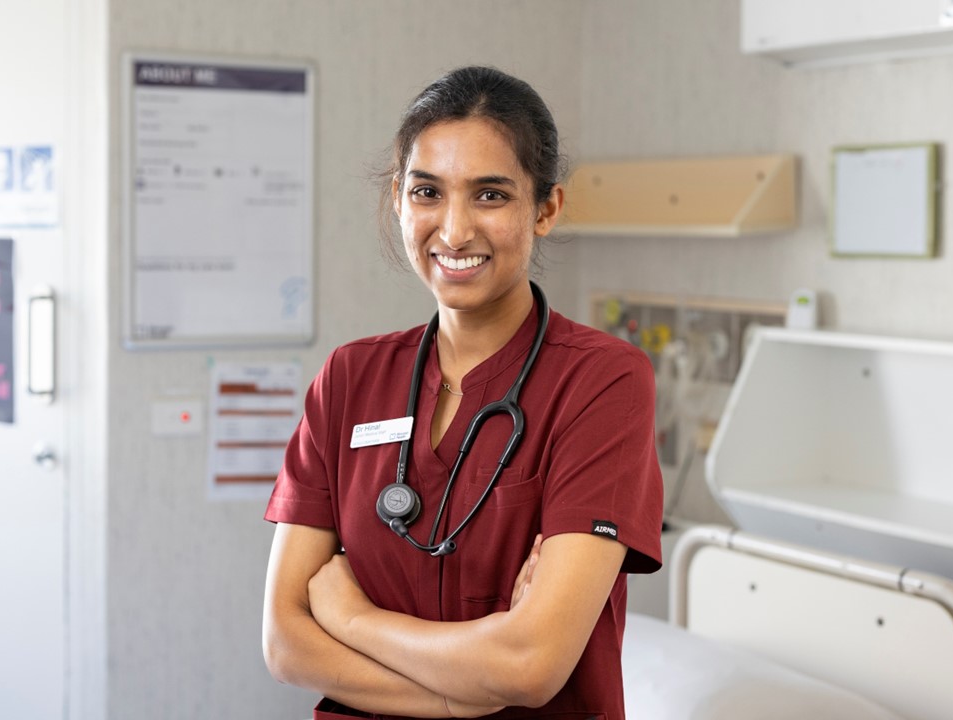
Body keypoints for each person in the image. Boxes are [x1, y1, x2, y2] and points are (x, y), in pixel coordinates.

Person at [263, 66, 663, 720]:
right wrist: (463, 695)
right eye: (427, 192)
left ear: (547, 208)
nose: (452, 232)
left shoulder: (603, 382)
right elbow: (284, 641)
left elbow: (531, 667)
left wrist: (352, 618)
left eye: (490, 195)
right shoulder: (347, 379)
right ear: (398, 198)